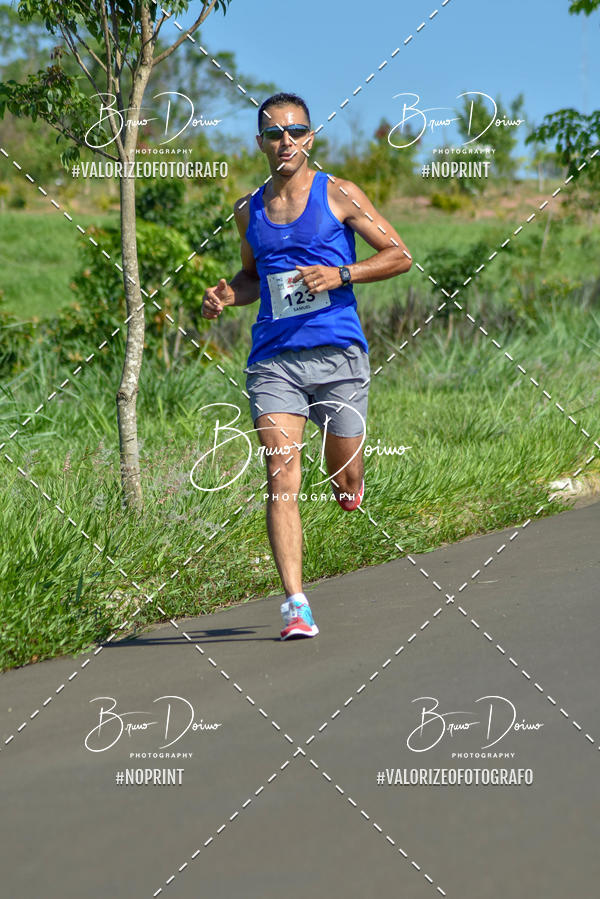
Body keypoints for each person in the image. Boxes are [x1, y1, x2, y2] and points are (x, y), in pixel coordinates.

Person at [201, 91, 412, 640]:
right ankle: (296, 604)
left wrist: (341, 275)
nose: (285, 141)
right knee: (280, 474)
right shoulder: (248, 209)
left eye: (295, 132)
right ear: (261, 143)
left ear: (310, 137)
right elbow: (252, 279)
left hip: (339, 355)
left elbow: (399, 255)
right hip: (274, 360)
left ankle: (349, 483)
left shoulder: (339, 193)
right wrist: (228, 293)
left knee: (343, 474)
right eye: (274, 134)